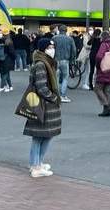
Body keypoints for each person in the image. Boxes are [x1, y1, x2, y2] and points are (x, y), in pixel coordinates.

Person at [25, 38, 62, 178]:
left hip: (46, 105)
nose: (52, 49)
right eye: (49, 47)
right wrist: (53, 98)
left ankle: (38, 162)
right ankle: (35, 165)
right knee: (40, 136)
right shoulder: (41, 64)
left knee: (45, 135)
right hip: (43, 105)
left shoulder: (47, 62)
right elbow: (41, 86)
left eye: (53, 46)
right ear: (43, 49)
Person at [93, 32, 110, 117]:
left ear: (102, 37)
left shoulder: (104, 45)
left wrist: (98, 66)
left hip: (104, 69)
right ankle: (107, 111)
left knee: (97, 88)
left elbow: (99, 56)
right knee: (107, 90)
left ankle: (107, 106)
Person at [51, 25, 75, 103]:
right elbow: (73, 50)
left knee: (56, 78)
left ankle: (56, 95)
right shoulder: (70, 39)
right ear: (66, 31)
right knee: (65, 77)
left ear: (59, 30)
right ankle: (63, 95)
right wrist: (72, 60)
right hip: (65, 60)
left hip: (55, 60)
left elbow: (51, 48)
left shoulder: (54, 38)